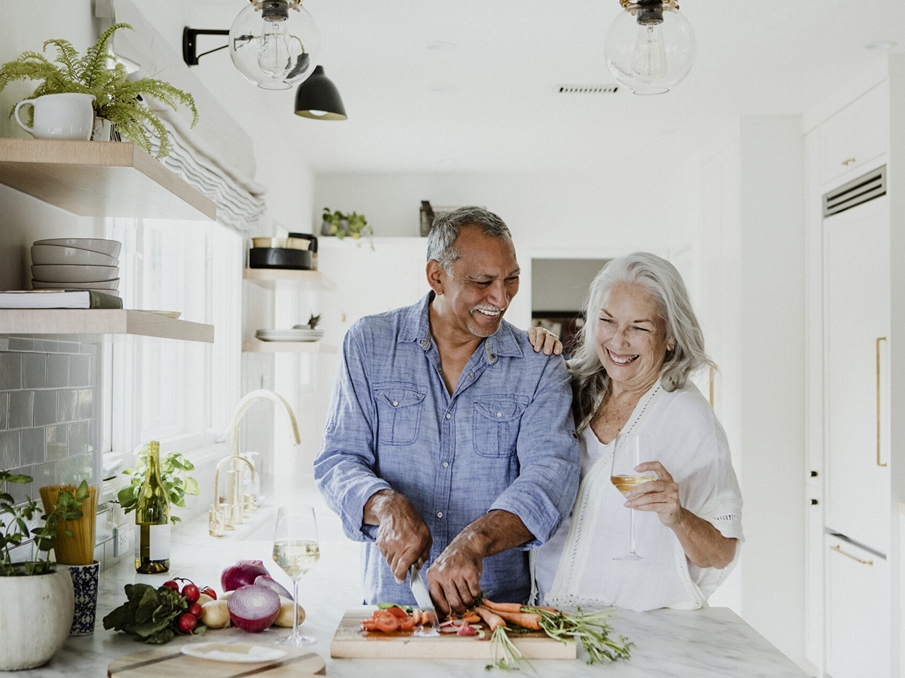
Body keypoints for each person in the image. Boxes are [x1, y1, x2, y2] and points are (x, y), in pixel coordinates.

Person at [314, 206, 580, 615]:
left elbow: (550, 479)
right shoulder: (368, 344)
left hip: (495, 612)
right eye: (482, 282)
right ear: (436, 276)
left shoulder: (539, 364)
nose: (501, 298)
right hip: (391, 608)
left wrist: (475, 541)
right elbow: (338, 460)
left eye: (511, 280)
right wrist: (384, 504)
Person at [532, 252, 743, 612]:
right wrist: (529, 352)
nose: (618, 340)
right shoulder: (570, 388)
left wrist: (678, 516)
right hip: (547, 616)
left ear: (671, 337)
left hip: (635, 631)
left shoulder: (690, 420)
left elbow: (721, 552)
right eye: (608, 321)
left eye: (639, 327)